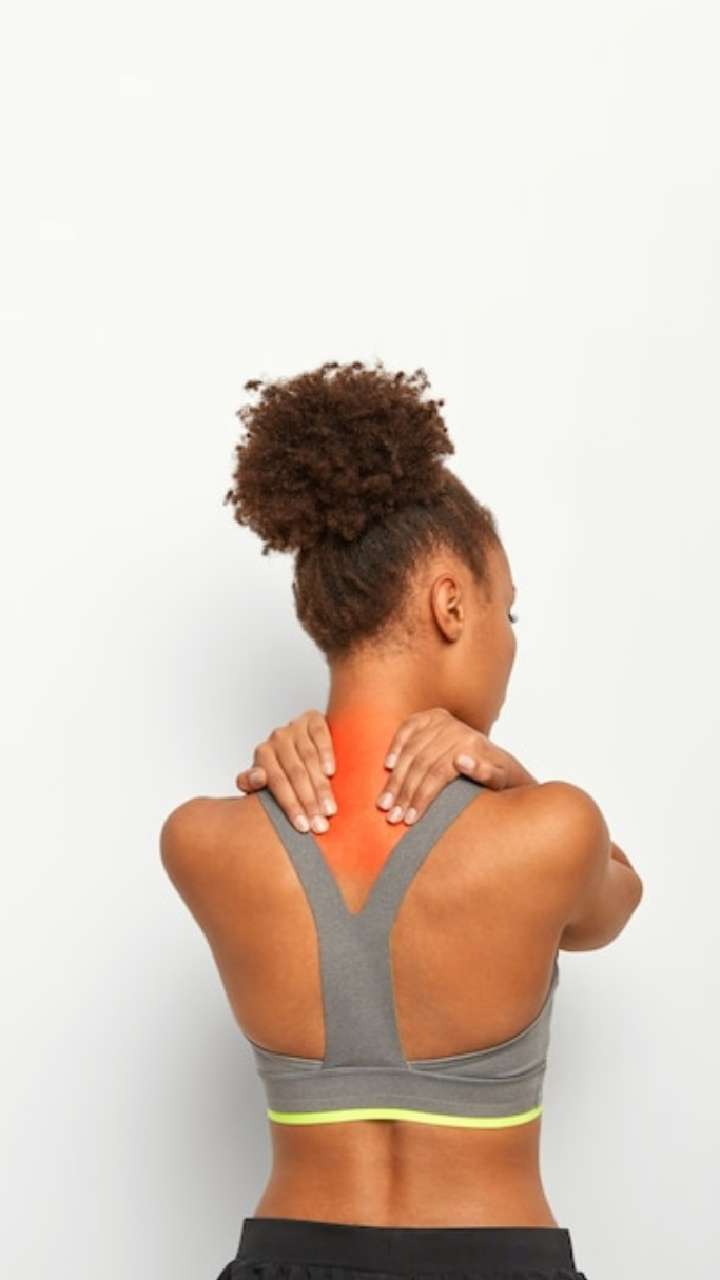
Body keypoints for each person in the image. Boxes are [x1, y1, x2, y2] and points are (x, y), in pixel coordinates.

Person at [160, 359, 643, 1280]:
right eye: (509, 611)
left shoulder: (201, 842)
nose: (511, 641)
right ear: (451, 604)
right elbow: (618, 899)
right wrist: (520, 781)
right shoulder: (555, 832)